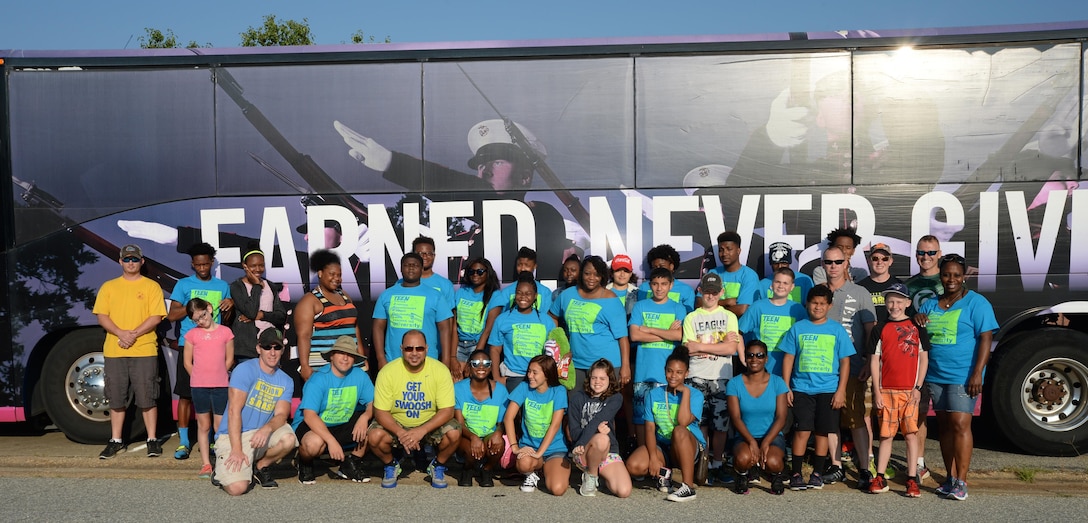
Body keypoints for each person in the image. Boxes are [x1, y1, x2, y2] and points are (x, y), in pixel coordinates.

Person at [335, 118, 577, 281]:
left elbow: (484, 199)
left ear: (525, 177)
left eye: (498, 161)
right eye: (481, 165)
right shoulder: (466, 238)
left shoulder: (541, 217)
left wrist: (394, 164)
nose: (485, 171)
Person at [914, 254, 998, 501]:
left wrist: (977, 373)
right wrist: (917, 320)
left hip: (963, 375)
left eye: (956, 275)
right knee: (945, 427)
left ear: (964, 277)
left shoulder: (977, 303)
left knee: (961, 424)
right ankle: (950, 478)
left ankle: (961, 481)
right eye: (947, 274)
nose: (951, 279)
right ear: (940, 276)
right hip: (935, 375)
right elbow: (918, 334)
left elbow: (986, 338)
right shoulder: (930, 304)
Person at [93, 244, 166, 459]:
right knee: (116, 398)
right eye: (127, 259)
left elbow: (156, 317)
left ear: (142, 262)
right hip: (115, 350)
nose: (131, 263)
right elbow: (102, 316)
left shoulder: (152, 287)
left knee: (148, 396)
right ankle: (116, 440)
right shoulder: (108, 287)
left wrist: (132, 334)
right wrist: (120, 333)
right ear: (120, 262)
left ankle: (152, 439)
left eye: (135, 259)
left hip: (144, 349)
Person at [779, 285, 855, 491]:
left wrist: (841, 391)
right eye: (814, 303)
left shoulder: (837, 330)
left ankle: (817, 473)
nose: (818, 307)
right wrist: (786, 386)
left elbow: (845, 362)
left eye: (822, 303)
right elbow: (789, 357)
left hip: (829, 390)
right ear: (807, 304)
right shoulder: (798, 328)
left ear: (829, 306)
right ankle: (796, 473)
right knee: (802, 431)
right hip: (802, 389)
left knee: (823, 432)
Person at [368, 330, 461, 489]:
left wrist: (421, 430)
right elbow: (380, 412)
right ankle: (391, 465)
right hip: (398, 424)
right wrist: (401, 433)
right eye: (409, 349)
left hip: (429, 424)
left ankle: (437, 465)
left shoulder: (440, 370)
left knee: (454, 432)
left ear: (427, 348)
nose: (414, 353)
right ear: (401, 349)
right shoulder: (388, 372)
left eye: (419, 348)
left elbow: (447, 410)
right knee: (374, 436)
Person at [166, 242, 233, 460]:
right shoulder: (183, 285)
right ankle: (184, 442)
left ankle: (215, 440)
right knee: (185, 395)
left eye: (205, 264)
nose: (202, 268)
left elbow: (226, 321)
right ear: (192, 264)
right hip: (191, 346)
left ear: (211, 263)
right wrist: (191, 307)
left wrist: (229, 304)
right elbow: (171, 315)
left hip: (215, 346)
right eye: (198, 265)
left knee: (215, 395)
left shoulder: (222, 285)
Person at [819, 245, 878, 488]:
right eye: (828, 262)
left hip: (854, 366)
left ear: (846, 264)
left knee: (856, 419)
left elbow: (871, 330)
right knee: (830, 420)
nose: (832, 266)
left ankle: (865, 469)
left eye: (837, 262)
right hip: (823, 369)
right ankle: (836, 466)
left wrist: (867, 360)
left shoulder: (860, 292)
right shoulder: (818, 293)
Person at [213, 328, 297, 496]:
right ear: (259, 349)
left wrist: (266, 429)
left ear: (282, 350)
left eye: (277, 347)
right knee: (237, 489)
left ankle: (260, 465)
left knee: (289, 439)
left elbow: (281, 415)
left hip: (260, 434)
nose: (272, 352)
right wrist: (236, 449)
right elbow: (233, 411)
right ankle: (222, 466)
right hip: (234, 434)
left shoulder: (286, 380)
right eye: (267, 347)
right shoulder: (244, 370)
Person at [868, 283, 929, 497]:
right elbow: (874, 361)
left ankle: (912, 479)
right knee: (886, 436)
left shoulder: (916, 327)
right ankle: (880, 477)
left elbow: (924, 358)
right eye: (890, 301)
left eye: (899, 301)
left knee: (911, 434)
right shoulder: (880, 328)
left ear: (908, 303)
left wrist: (918, 387)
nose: (894, 305)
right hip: (886, 391)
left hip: (909, 391)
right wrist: (877, 391)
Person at [681, 271, 742, 482]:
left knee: (721, 424)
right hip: (696, 376)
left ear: (721, 292)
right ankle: (702, 461)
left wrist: (701, 346)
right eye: (707, 292)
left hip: (721, 377)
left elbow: (732, 349)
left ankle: (717, 463)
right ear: (700, 291)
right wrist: (719, 346)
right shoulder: (692, 317)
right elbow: (688, 349)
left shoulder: (729, 316)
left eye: (715, 292)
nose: (710, 296)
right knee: (701, 422)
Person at [625, 346, 705, 503]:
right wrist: (654, 458)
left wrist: (686, 393)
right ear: (665, 371)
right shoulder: (654, 394)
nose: (673, 376)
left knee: (679, 431)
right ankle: (664, 474)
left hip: (687, 446)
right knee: (633, 466)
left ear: (686, 374)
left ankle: (688, 487)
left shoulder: (695, 394)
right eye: (670, 371)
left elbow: (683, 422)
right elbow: (649, 428)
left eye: (679, 372)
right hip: (664, 446)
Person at [293, 335, 374, 485]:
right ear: (332, 356)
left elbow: (373, 402)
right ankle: (304, 462)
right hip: (313, 425)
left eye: (350, 355)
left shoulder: (360, 376)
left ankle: (350, 463)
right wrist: (331, 441)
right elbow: (309, 415)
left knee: (374, 426)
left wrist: (365, 417)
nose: (345, 358)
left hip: (341, 423)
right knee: (314, 444)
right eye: (341, 353)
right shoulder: (318, 379)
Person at [549, 255, 631, 389]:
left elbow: (623, 338)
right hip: (575, 364)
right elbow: (552, 316)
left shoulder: (611, 300)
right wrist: (559, 342)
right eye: (587, 273)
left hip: (607, 366)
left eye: (596, 274)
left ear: (602, 276)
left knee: (601, 408)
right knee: (576, 405)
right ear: (581, 274)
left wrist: (625, 367)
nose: (591, 278)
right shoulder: (567, 295)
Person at [628, 268, 686, 447]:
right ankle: (642, 453)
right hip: (644, 373)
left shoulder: (678, 307)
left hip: (669, 375)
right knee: (640, 417)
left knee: (667, 417)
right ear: (649, 285)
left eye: (663, 284)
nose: (659, 288)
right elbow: (635, 336)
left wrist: (649, 329)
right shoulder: (641, 306)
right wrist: (667, 332)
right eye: (655, 284)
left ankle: (665, 456)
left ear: (671, 285)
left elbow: (679, 336)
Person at [726, 340, 790, 495]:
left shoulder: (777, 382)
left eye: (760, 355)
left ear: (766, 359)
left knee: (773, 462)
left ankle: (776, 474)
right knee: (743, 459)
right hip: (745, 435)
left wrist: (766, 442)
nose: (755, 359)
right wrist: (752, 441)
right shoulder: (734, 383)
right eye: (750, 355)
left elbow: (781, 417)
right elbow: (735, 417)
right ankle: (742, 475)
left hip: (772, 436)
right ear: (745, 358)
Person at [372, 253, 455, 369]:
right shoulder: (386, 295)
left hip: (428, 362)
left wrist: (446, 360)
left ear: (421, 269)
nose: (411, 267)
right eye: (407, 265)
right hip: (394, 362)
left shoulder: (436, 295)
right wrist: (381, 359)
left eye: (415, 265)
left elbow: (445, 329)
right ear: (401, 268)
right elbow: (378, 328)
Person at [904, 235, 943, 479]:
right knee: (918, 410)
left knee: (948, 413)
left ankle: (954, 471)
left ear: (939, 254)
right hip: (917, 355)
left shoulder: (948, 280)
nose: (925, 257)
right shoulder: (910, 285)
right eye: (921, 252)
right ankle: (918, 463)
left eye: (930, 253)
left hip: (943, 353)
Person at [504, 354, 571, 496]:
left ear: (547, 374)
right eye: (529, 371)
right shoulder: (523, 387)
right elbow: (508, 418)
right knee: (523, 463)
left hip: (554, 449)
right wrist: (515, 447)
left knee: (557, 489)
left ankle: (552, 469)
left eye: (535, 372)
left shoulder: (559, 391)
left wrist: (540, 452)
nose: (530, 376)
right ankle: (531, 473)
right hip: (530, 447)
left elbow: (555, 425)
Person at [183, 298, 234, 479]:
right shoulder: (192, 335)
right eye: (196, 320)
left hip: (221, 385)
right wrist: (198, 377)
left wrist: (221, 374)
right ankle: (206, 463)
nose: (201, 321)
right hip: (199, 386)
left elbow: (229, 359)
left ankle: (221, 461)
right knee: (203, 425)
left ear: (210, 309)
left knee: (219, 426)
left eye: (203, 315)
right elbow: (187, 362)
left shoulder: (225, 332)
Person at [295, 249, 365, 380]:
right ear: (320, 273)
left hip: (351, 365)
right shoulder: (310, 301)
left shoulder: (345, 296)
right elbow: (304, 336)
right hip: (323, 368)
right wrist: (304, 366)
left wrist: (362, 358)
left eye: (339, 275)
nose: (336, 278)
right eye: (332, 274)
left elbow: (355, 328)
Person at [567, 359, 633, 498]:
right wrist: (582, 442)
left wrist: (595, 432)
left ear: (610, 379)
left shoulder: (615, 398)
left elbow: (598, 419)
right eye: (594, 378)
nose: (597, 382)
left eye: (602, 378)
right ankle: (591, 476)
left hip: (608, 451)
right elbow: (573, 431)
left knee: (624, 491)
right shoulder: (577, 398)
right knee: (602, 438)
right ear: (589, 378)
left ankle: (602, 476)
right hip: (584, 449)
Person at [488, 272, 556, 392]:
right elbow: (495, 349)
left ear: (535, 296)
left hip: (539, 378)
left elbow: (554, 350)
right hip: (513, 376)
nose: (523, 297)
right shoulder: (503, 319)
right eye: (519, 293)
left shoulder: (546, 321)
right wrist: (496, 377)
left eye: (528, 293)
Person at [478, 247, 553, 353]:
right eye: (519, 265)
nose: (522, 268)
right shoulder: (507, 292)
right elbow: (500, 320)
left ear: (535, 266)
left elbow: (547, 320)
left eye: (527, 265)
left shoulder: (545, 292)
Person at [739, 267, 808, 377]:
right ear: (771, 284)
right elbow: (738, 332)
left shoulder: (798, 310)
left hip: (788, 372)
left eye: (785, 283)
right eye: (777, 282)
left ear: (792, 287)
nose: (781, 286)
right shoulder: (758, 307)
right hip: (760, 371)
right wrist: (743, 357)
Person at [454, 349, 509, 487]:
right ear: (468, 367)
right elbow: (459, 423)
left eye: (486, 363)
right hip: (467, 435)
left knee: (499, 444)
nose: (481, 367)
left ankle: (487, 469)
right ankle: (468, 468)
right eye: (476, 363)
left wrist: (498, 432)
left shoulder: (501, 390)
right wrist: (473, 437)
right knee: (471, 452)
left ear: (490, 367)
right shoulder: (458, 388)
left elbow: (502, 421)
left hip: (488, 435)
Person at [229, 246, 287, 364]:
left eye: (261, 265)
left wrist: (262, 315)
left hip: (270, 347)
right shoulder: (237, 286)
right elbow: (250, 311)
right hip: (246, 350)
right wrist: (256, 285)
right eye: (253, 266)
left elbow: (281, 315)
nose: (258, 269)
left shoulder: (270, 286)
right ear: (244, 266)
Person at [413, 236, 458, 362]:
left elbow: (450, 322)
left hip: (435, 351)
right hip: (410, 350)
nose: (425, 256)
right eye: (420, 253)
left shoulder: (444, 284)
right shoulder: (402, 283)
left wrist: (448, 355)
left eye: (428, 253)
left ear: (434, 256)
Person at [454, 257, 501, 377]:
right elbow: (453, 325)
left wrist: (474, 357)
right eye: (471, 271)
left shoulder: (494, 295)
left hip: (478, 345)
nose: (475, 274)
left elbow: (487, 331)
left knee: (472, 381)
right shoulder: (461, 292)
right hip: (458, 344)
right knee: (456, 381)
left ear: (487, 273)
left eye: (480, 272)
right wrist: (452, 356)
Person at [708, 231, 760, 317]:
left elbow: (742, 310)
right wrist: (726, 302)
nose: (724, 254)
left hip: (737, 328)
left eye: (729, 249)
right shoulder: (712, 273)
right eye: (721, 250)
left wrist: (712, 307)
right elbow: (699, 303)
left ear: (738, 251)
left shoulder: (749, 276)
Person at [636, 244, 696, 313]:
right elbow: (640, 312)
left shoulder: (686, 290)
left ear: (671, 266)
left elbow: (688, 316)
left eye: (662, 266)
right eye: (655, 267)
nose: (658, 270)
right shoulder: (644, 287)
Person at [857, 242, 903, 324]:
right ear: (868, 261)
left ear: (891, 261)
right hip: (868, 335)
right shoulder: (859, 287)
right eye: (875, 259)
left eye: (884, 259)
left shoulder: (900, 286)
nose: (879, 262)